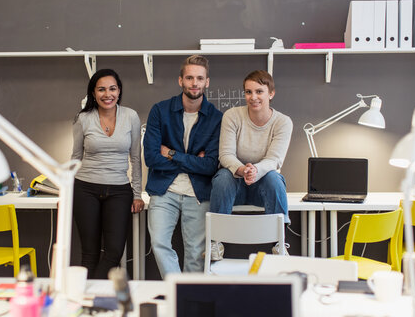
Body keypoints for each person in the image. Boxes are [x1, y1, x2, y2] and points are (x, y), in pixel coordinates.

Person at [143, 55, 222, 278]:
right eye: (189, 78)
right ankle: (177, 289)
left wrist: (171, 153)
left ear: (207, 82)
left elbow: (209, 166)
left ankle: (190, 301)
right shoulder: (160, 110)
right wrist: (192, 160)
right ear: (180, 81)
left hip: (198, 193)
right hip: (163, 191)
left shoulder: (217, 118)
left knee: (197, 253)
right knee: (159, 243)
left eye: (199, 78)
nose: (194, 83)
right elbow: (150, 157)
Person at [71, 68, 144, 279]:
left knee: (113, 253)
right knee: (89, 254)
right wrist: (66, 192)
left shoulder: (130, 116)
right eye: (101, 89)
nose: (107, 94)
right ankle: (86, 302)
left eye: (112, 89)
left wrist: (137, 193)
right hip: (85, 188)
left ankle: (88, 293)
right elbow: (75, 158)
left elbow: (136, 158)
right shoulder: (83, 119)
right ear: (93, 93)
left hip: (119, 190)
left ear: (119, 91)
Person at [210, 70, 293, 254]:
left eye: (259, 91)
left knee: (274, 178)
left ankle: (280, 243)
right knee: (223, 175)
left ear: (271, 93)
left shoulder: (283, 122)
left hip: (263, 189)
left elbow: (274, 160)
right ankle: (215, 242)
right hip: (234, 185)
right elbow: (225, 155)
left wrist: (255, 170)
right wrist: (242, 169)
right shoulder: (232, 116)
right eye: (248, 92)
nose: (253, 97)